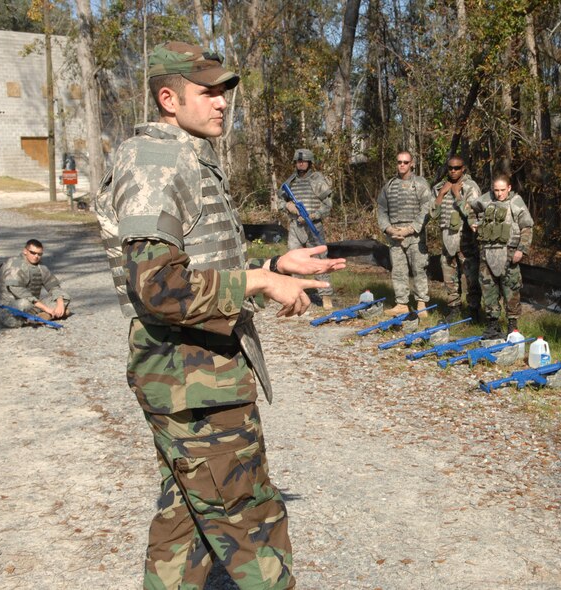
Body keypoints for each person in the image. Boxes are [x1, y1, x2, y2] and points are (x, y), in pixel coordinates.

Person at [93, 41, 345, 589]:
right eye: (207, 91)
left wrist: (273, 263)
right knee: (253, 529)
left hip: (195, 380)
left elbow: (197, 266)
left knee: (184, 530)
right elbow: (159, 287)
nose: (222, 103)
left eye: (225, 92)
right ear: (168, 97)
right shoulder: (157, 161)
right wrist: (260, 280)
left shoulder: (183, 156)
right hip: (194, 382)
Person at [468, 174, 533, 339]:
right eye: (496, 190)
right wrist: (473, 224)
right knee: (488, 289)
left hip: (509, 252)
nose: (499, 194)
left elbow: (527, 227)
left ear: (509, 188)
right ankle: (492, 325)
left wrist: (521, 250)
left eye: (502, 190)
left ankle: (512, 326)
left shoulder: (516, 202)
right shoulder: (485, 199)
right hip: (487, 252)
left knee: (510, 289)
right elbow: (469, 208)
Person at [376, 150, 433, 317]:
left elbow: (427, 209)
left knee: (418, 269)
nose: (402, 165)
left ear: (412, 164)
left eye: (405, 162)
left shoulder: (420, 184)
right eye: (399, 162)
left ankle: (421, 302)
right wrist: (389, 229)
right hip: (395, 236)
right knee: (399, 270)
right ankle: (402, 303)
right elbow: (381, 209)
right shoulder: (389, 186)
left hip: (414, 236)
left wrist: (410, 229)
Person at [429, 155, 482, 321]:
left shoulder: (470, 187)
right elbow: (433, 213)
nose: (453, 171)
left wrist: (457, 195)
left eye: (457, 168)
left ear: (463, 168)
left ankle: (473, 310)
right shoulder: (439, 187)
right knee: (449, 275)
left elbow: (474, 213)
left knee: (471, 277)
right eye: (450, 168)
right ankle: (454, 308)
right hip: (447, 239)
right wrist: (442, 194)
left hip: (466, 240)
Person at [282, 148, 334, 309]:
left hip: (314, 226)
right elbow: (279, 200)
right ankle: (297, 295)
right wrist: (288, 205)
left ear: (310, 163)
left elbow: (328, 204)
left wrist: (314, 215)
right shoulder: (290, 182)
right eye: (298, 161)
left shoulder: (318, 181)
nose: (301, 164)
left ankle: (325, 295)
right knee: (293, 261)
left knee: (320, 261)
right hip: (295, 227)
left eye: (304, 161)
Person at [0, 239, 70, 327]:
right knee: (24, 303)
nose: (36, 256)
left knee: (64, 297)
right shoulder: (15, 263)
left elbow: (53, 286)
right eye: (33, 253)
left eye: (39, 254)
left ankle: (38, 318)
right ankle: (41, 317)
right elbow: (16, 289)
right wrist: (45, 308)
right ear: (25, 251)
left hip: (32, 306)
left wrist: (60, 303)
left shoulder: (41, 267)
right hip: (10, 308)